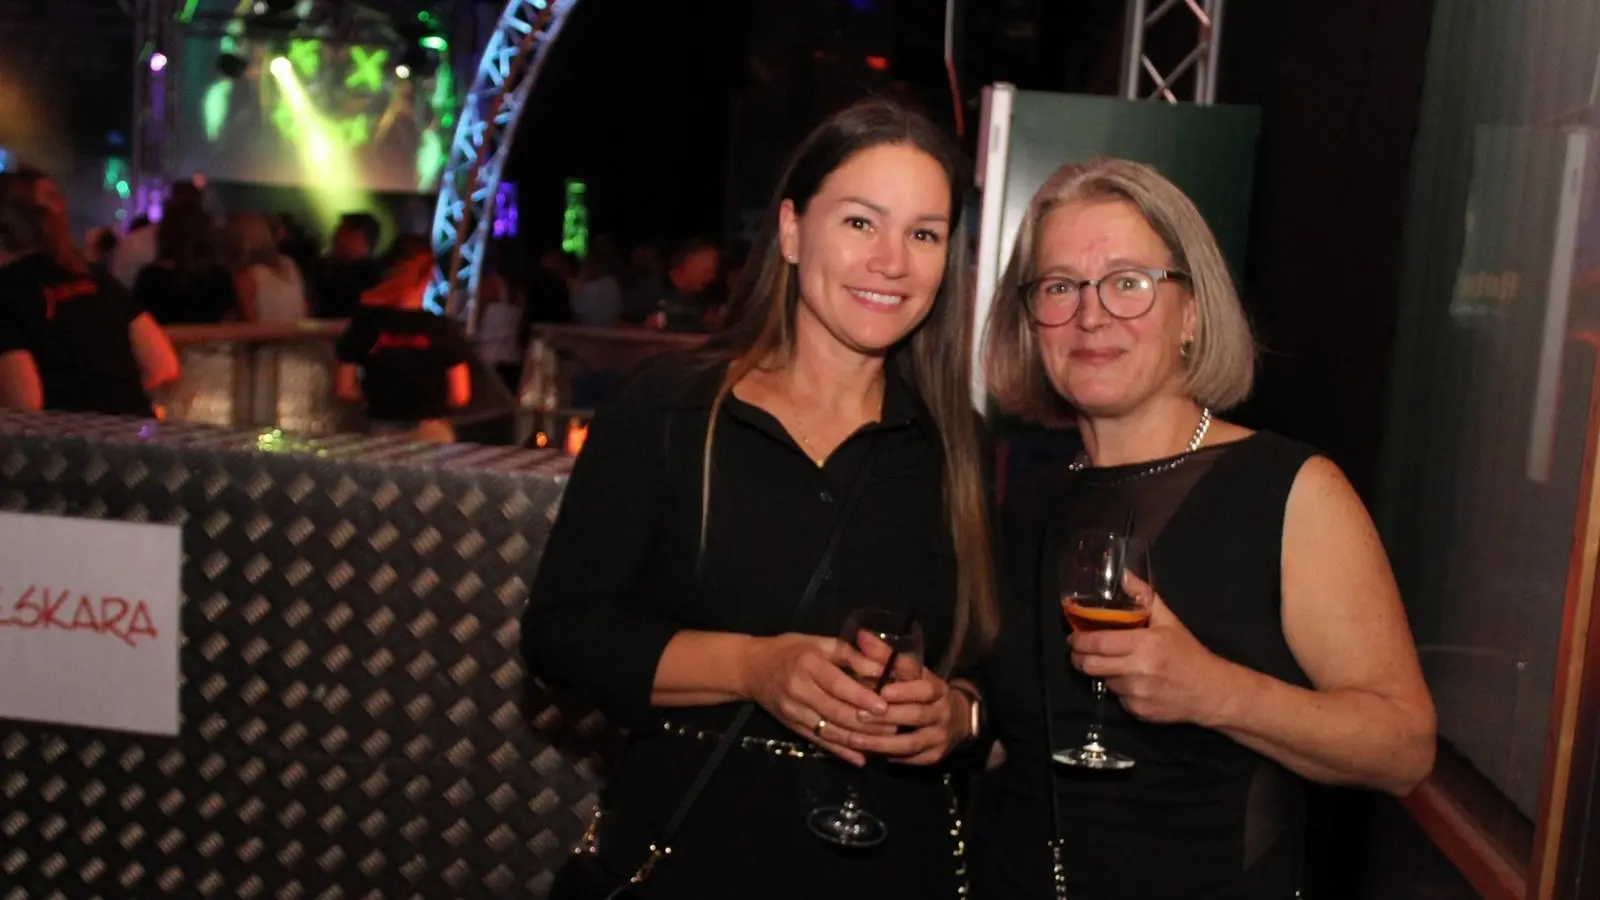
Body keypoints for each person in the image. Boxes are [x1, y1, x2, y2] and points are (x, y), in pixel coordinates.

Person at [521, 99, 997, 898]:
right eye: (860, 222)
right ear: (791, 230)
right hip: (695, 859)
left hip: (890, 871)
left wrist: (959, 715)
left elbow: (991, 666)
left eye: (924, 234)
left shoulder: (955, 444)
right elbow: (561, 636)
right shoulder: (671, 409)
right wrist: (753, 667)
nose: (892, 261)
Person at [974, 159, 1436, 899]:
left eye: (1128, 282)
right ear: (1031, 323)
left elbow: (1404, 749)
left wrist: (1213, 691)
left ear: (1190, 314)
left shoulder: (1291, 490)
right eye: (1060, 286)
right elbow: (1021, 737)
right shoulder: (1027, 504)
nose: (1091, 315)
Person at [0, 173, 179, 416]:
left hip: (64, 438)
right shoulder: (93, 277)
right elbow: (162, 364)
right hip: (134, 431)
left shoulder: (7, 292)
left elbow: (24, 404)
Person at [334, 235, 473, 443]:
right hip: (431, 431)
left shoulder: (365, 324)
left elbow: (344, 388)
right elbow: (460, 395)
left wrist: (377, 399)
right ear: (428, 275)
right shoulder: (442, 329)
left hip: (380, 429)